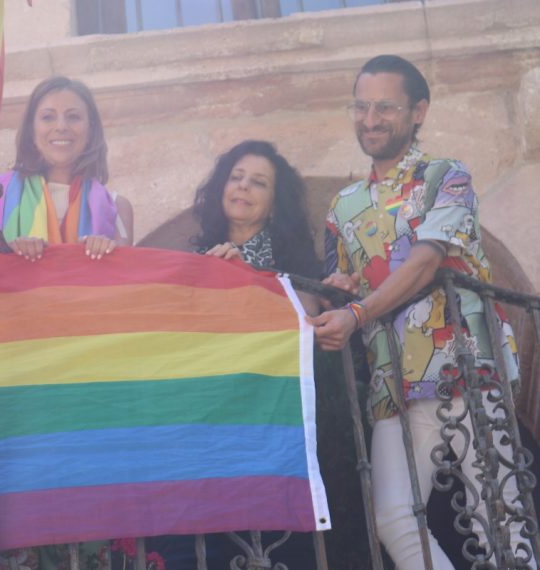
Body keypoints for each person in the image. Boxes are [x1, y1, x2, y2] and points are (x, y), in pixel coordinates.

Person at [309, 54, 524, 569]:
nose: (370, 118)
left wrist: (357, 312)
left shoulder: (446, 175)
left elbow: (428, 261)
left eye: (385, 106)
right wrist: (338, 292)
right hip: (394, 385)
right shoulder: (343, 205)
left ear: (418, 111)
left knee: (499, 515)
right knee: (392, 517)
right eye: (361, 106)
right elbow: (345, 284)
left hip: (466, 367)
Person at [0, 76, 133, 261]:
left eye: (73, 117)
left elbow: (124, 282)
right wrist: (12, 254)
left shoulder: (117, 208)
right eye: (48, 117)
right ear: (31, 130)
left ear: (90, 130)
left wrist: (103, 254)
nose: (61, 126)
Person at [191, 139, 322, 278]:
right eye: (236, 177)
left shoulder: (296, 263)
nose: (243, 185)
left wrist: (244, 272)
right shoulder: (199, 259)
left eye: (259, 182)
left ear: (275, 204)